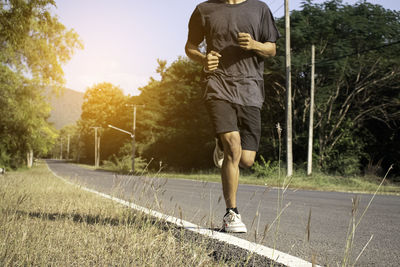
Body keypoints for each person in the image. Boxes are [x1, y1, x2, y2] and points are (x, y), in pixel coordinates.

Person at [185, 0, 280, 233]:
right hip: (218, 85)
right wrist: (203, 59)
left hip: (250, 89)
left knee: (246, 159)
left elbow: (272, 48)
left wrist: (255, 45)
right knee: (233, 148)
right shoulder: (204, 10)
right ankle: (232, 213)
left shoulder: (259, 9)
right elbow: (190, 46)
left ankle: (222, 144)